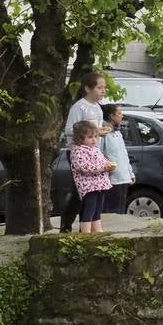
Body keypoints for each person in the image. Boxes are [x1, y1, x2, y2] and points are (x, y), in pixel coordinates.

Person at [59, 72, 112, 232]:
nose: (103, 91)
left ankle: (89, 226)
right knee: (80, 191)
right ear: (88, 88)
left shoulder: (97, 107)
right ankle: (67, 225)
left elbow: (96, 129)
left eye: (105, 88)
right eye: (99, 87)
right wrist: (92, 132)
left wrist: (102, 130)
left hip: (95, 152)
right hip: (80, 153)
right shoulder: (79, 106)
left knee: (96, 191)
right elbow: (69, 129)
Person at [68, 121, 115, 234]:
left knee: (98, 209)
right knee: (89, 209)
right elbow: (84, 167)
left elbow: (103, 160)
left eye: (95, 137)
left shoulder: (96, 149)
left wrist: (109, 165)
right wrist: (103, 167)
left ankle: (97, 230)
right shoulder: (78, 151)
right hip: (89, 186)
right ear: (80, 138)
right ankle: (86, 232)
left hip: (100, 184)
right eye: (90, 137)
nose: (94, 139)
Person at [99, 103, 134, 215]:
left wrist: (130, 173)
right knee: (111, 210)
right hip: (111, 178)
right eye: (119, 113)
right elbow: (100, 153)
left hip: (123, 176)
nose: (122, 116)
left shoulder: (118, 133)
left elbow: (123, 155)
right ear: (111, 116)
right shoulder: (103, 134)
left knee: (121, 208)